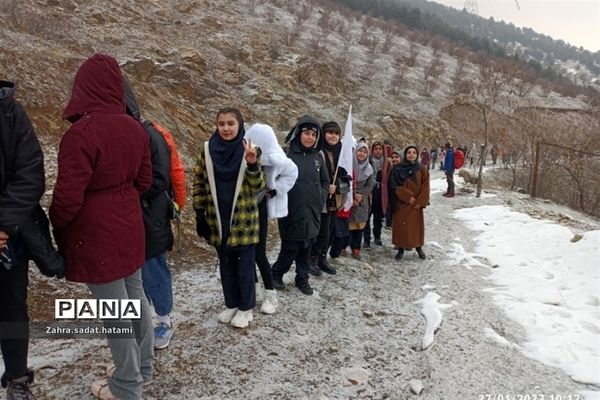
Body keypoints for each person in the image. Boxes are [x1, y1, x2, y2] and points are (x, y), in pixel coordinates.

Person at [50, 54, 154, 400]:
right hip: (129, 225)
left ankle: (127, 386)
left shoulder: (82, 133)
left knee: (115, 311)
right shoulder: (135, 128)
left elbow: (67, 197)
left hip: (97, 234)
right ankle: (142, 366)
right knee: (135, 297)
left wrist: (57, 224)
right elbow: (144, 181)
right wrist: (119, 199)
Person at [192, 108, 265, 328]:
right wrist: (199, 214)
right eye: (221, 123)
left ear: (240, 125)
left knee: (244, 266)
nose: (226, 128)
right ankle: (232, 303)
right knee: (226, 265)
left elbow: (258, 187)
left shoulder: (251, 150)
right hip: (218, 220)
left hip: (243, 221)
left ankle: (246, 308)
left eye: (231, 123)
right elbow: (199, 182)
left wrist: (252, 164)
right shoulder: (206, 150)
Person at [0, 80, 45, 400]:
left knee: (11, 309)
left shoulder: (9, 111)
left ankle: (17, 376)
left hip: (7, 237)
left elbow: (30, 173)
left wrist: (3, 227)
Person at [124, 81, 176, 350]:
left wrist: (127, 193)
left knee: (154, 270)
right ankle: (145, 322)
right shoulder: (128, 133)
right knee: (137, 275)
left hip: (151, 217)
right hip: (135, 217)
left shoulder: (150, 135)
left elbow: (160, 179)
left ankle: (164, 320)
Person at [271, 116, 329, 296]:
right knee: (290, 248)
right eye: (306, 133)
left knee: (306, 248)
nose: (310, 137)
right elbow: (274, 178)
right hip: (291, 211)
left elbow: (325, 181)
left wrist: (321, 196)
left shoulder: (318, 157)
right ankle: (276, 274)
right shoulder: (286, 154)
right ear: (298, 133)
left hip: (312, 211)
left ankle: (302, 280)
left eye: (313, 134)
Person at [244, 123, 298, 314]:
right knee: (246, 252)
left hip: (260, 209)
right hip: (242, 209)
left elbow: (292, 173)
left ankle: (271, 294)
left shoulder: (278, 159)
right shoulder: (243, 157)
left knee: (259, 253)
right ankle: (255, 288)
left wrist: (275, 190)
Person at [309, 120, 349, 276]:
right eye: (330, 132)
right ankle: (312, 259)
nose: (333, 136)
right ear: (323, 134)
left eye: (336, 133)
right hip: (322, 199)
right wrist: (326, 188)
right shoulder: (318, 152)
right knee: (321, 231)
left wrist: (340, 188)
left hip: (335, 199)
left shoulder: (341, 153)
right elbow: (315, 176)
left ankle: (322, 258)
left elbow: (345, 175)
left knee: (331, 230)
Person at [390, 145, 430, 260]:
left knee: (416, 228)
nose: (411, 154)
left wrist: (420, 201)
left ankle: (418, 248)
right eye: (408, 152)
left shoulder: (422, 169)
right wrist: (408, 197)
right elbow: (394, 186)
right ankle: (401, 249)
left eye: (413, 152)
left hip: (416, 205)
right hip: (402, 204)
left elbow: (425, 186)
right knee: (401, 227)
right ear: (405, 155)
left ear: (417, 155)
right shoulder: (397, 169)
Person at [348, 142, 375, 260]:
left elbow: (370, 185)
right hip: (348, 198)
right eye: (360, 151)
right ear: (355, 151)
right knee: (347, 225)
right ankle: (343, 247)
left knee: (359, 226)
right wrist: (353, 195)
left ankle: (356, 249)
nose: (362, 154)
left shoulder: (369, 168)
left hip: (362, 201)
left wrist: (360, 195)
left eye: (365, 152)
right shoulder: (349, 165)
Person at [363, 141, 391, 248]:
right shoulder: (368, 161)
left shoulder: (387, 163)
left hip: (381, 193)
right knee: (367, 216)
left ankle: (377, 237)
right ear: (372, 150)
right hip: (369, 192)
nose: (378, 151)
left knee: (378, 217)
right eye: (376, 149)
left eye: (380, 149)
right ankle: (366, 239)